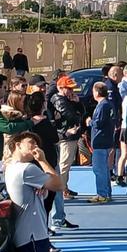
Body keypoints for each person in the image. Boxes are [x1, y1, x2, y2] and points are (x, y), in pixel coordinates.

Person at [5, 131, 62, 252]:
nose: (36, 147)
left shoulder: (11, 168)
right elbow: (58, 184)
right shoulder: (27, 169)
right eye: (31, 142)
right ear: (17, 145)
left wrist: (42, 189)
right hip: (33, 235)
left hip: (27, 232)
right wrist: (43, 161)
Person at [23, 92, 64, 242]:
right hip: (46, 164)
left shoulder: (27, 122)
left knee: (38, 203)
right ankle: (42, 232)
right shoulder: (44, 122)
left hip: (34, 164)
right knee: (46, 202)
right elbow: (54, 138)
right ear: (42, 105)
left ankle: (41, 230)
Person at [50, 75, 84, 205]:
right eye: (68, 88)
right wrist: (77, 113)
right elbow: (71, 116)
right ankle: (62, 189)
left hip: (70, 134)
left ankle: (64, 187)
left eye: (72, 88)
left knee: (67, 163)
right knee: (64, 164)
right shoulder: (59, 100)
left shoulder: (67, 99)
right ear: (60, 88)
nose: (71, 91)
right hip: (66, 135)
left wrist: (77, 103)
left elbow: (81, 112)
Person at [90, 82, 116, 203]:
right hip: (106, 139)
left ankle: (102, 194)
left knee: (99, 169)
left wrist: (90, 122)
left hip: (100, 140)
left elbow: (98, 123)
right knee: (104, 169)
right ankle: (106, 193)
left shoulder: (102, 106)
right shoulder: (109, 104)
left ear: (97, 92)